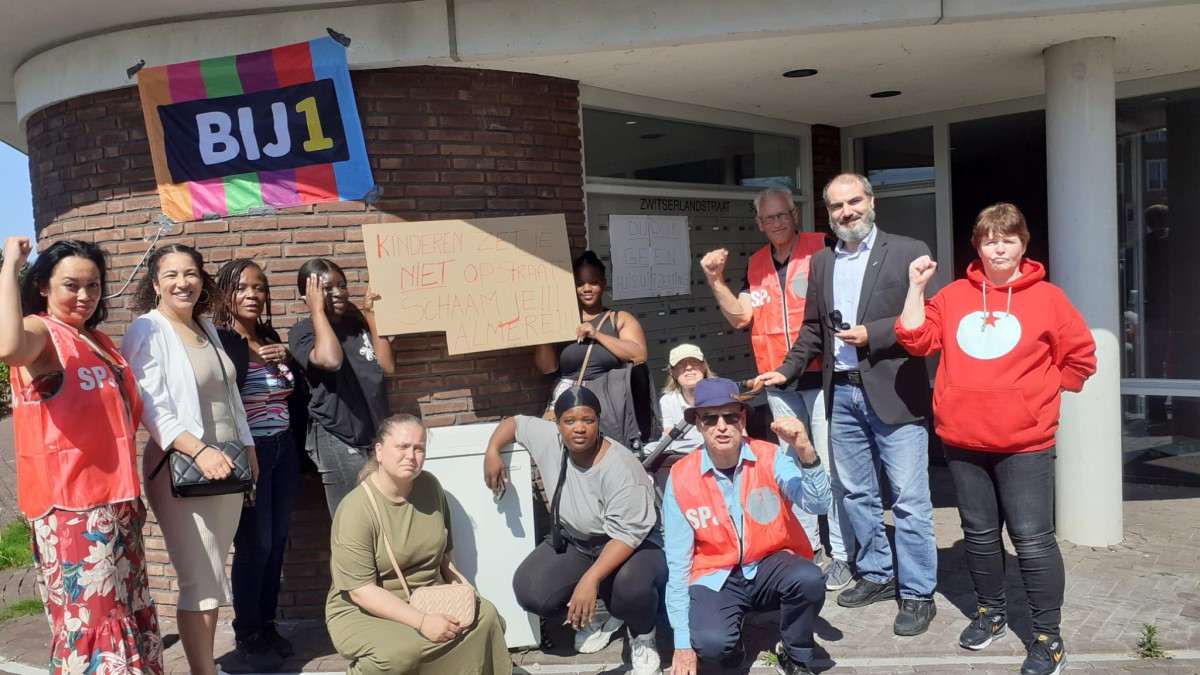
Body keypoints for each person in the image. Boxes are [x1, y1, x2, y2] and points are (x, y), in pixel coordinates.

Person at [896, 203, 1096, 675]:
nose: (999, 247)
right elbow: (914, 338)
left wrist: (1037, 397)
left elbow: (1081, 359)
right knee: (980, 537)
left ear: (1024, 244)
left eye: (1008, 238)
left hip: (1025, 444)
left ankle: (1049, 638)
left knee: (1032, 540)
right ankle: (991, 613)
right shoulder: (952, 296)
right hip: (963, 440)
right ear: (978, 245)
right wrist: (916, 287)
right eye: (989, 239)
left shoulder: (1049, 298)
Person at [758, 173, 941, 636]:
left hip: (895, 392)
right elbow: (813, 332)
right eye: (837, 206)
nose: (847, 213)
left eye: (854, 202)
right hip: (839, 393)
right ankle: (878, 573)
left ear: (871, 200)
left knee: (908, 500)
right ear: (828, 213)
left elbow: (928, 319)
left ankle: (918, 592)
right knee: (855, 493)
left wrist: (873, 335)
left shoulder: (906, 250)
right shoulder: (821, 262)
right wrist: (787, 369)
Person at [0, 236, 162, 675]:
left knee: (128, 611)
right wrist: (9, 268)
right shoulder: (41, 331)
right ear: (43, 288)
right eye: (71, 285)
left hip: (116, 503)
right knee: (92, 623)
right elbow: (8, 348)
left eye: (93, 286)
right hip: (72, 509)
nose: (85, 296)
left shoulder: (97, 341)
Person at [701, 186, 855, 591]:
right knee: (790, 466)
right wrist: (715, 280)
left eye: (782, 215)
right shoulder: (755, 264)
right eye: (768, 219)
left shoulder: (822, 246)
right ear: (759, 224)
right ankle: (806, 546)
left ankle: (841, 553)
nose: (776, 224)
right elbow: (741, 317)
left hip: (823, 376)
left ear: (795, 214)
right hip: (778, 381)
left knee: (829, 464)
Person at [122, 244, 257, 675]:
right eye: (172, 275)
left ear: (203, 279)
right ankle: (203, 671)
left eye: (192, 273)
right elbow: (153, 408)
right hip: (182, 467)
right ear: (155, 283)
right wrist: (200, 450)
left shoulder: (206, 327)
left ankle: (206, 667)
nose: (183, 282)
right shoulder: (148, 330)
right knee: (199, 578)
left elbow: (230, 395)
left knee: (213, 576)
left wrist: (249, 448)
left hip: (226, 465)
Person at [483, 387, 667, 675]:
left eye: (588, 420)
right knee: (531, 590)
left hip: (633, 546)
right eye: (569, 421)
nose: (579, 428)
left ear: (599, 422)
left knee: (629, 590)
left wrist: (589, 580)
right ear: (557, 425)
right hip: (577, 543)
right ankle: (591, 615)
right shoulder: (549, 439)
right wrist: (492, 450)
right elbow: (515, 423)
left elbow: (627, 535)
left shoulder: (620, 467)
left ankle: (643, 637)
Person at [662, 378, 830, 675]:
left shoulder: (770, 456)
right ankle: (732, 636)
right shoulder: (680, 476)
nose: (722, 425)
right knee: (712, 646)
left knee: (810, 578)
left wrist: (805, 450)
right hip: (715, 574)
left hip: (768, 564)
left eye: (730, 416)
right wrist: (682, 643)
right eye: (710, 418)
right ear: (699, 425)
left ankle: (793, 651)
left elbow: (818, 505)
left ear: (743, 420)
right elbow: (677, 563)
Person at [327, 414, 511, 675]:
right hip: (366, 608)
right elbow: (360, 591)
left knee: (486, 618)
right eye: (402, 447)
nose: (411, 456)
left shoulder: (430, 486)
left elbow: (444, 553)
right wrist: (422, 621)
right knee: (400, 653)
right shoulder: (356, 509)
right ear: (379, 451)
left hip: (427, 596)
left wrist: (461, 587)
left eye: (419, 448)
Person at [213, 259, 304, 671]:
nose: (253, 295)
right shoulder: (221, 341)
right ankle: (247, 634)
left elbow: (291, 392)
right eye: (243, 287)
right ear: (225, 294)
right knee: (254, 545)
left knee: (277, 539)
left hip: (283, 450)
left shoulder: (268, 335)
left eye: (260, 288)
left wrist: (288, 357)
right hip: (252, 454)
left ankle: (267, 625)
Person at [288, 258, 394, 515]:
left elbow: (387, 366)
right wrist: (316, 312)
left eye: (342, 285)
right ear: (308, 295)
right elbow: (331, 360)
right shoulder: (303, 332)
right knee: (352, 522)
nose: (338, 293)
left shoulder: (356, 326)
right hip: (338, 437)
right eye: (326, 288)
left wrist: (370, 315)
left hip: (373, 437)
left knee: (379, 516)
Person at [533, 251, 651, 448]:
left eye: (593, 282)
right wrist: (545, 329)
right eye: (580, 284)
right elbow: (546, 367)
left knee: (608, 454)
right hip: (569, 402)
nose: (587, 288)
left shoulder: (619, 319)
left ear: (604, 283)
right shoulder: (561, 321)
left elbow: (639, 354)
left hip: (609, 403)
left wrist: (597, 335)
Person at [658, 343, 713, 449]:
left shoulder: (719, 394)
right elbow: (667, 437)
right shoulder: (667, 401)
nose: (688, 367)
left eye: (694, 362)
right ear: (672, 372)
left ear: (704, 366)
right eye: (680, 364)